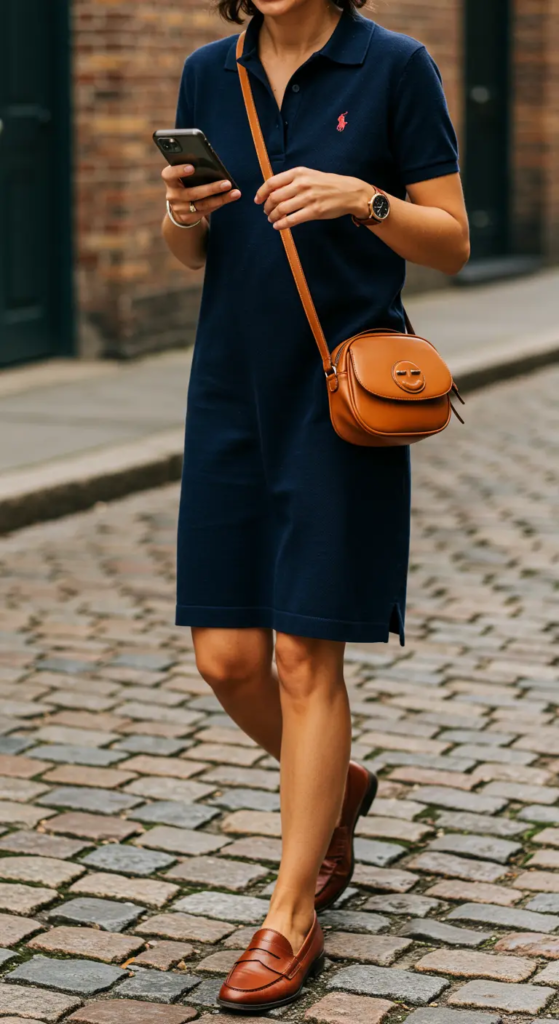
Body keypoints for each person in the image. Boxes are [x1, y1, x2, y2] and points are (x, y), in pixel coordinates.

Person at [161, 0, 469, 1012]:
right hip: (230, 393)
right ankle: (338, 786)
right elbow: (195, 256)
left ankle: (292, 914)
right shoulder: (212, 71)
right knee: (226, 657)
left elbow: (452, 242)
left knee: (303, 655)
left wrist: (361, 200)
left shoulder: (394, 65)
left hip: (340, 396)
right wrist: (181, 217)